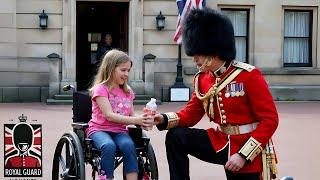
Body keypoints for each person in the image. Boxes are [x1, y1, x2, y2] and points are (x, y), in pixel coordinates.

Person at [153, 8, 279, 180]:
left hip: (247, 148)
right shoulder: (203, 78)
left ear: (212, 50)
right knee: (176, 137)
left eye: (197, 53)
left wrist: (243, 155)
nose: (194, 58)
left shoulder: (249, 75)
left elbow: (270, 120)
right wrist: (163, 118)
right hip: (220, 141)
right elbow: (191, 114)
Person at [86, 49, 150, 180]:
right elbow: (109, 115)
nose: (126, 74)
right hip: (99, 130)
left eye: (128, 70)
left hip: (120, 131)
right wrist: (136, 120)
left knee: (129, 145)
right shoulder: (101, 89)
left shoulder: (128, 92)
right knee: (109, 146)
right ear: (110, 68)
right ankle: (106, 177)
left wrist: (144, 120)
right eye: (123, 70)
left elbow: (132, 114)